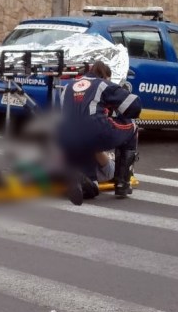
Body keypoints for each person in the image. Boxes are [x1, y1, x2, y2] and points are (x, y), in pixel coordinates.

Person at [57, 59, 141, 205]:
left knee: (87, 168)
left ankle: (87, 184)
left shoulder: (68, 87)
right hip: (94, 132)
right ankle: (122, 183)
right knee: (132, 126)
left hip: (65, 137)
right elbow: (134, 106)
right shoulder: (103, 84)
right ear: (106, 76)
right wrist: (115, 108)